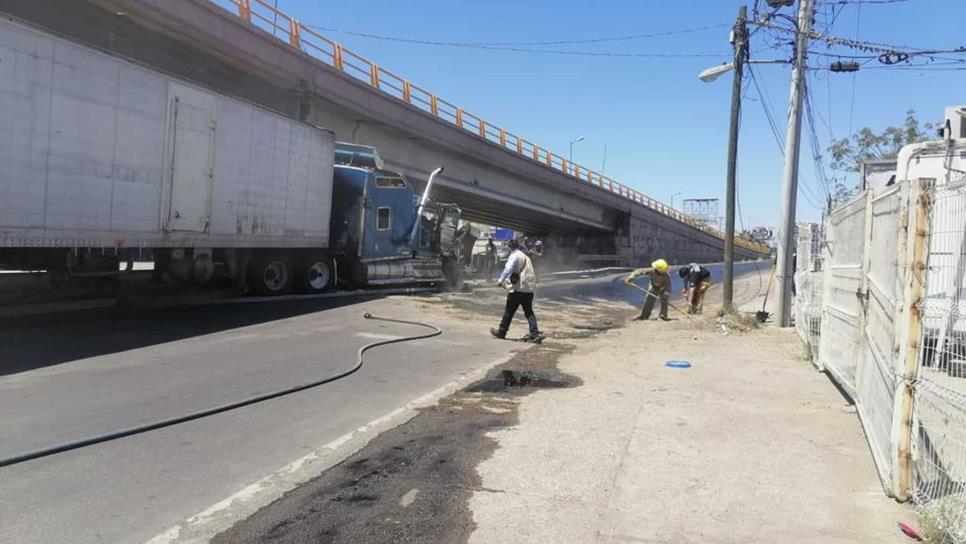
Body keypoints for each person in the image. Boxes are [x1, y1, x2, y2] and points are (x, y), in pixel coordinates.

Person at [491, 239, 542, 341]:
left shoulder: (514, 256)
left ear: (510, 247)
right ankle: (535, 334)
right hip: (529, 289)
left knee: (509, 311)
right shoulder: (526, 257)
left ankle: (502, 332)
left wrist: (501, 280)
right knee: (529, 312)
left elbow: (508, 269)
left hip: (518, 289)